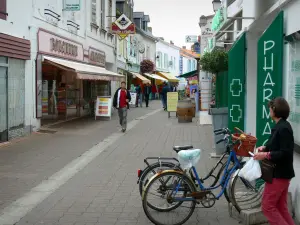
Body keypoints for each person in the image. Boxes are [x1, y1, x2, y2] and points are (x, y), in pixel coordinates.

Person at [254, 97, 295, 225]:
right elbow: (276, 145)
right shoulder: (280, 126)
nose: (269, 110)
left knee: (267, 207)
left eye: (270, 108)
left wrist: (265, 154)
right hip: (281, 173)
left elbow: (285, 153)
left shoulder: (283, 128)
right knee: (280, 207)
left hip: (279, 174)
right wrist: (265, 148)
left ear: (275, 110)